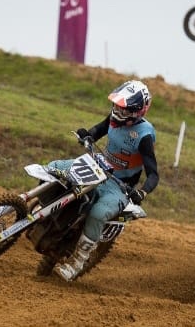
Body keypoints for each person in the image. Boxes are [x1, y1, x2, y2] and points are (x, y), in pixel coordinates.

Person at [48, 80, 159, 281]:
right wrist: (87, 135)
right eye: (116, 105)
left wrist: (142, 192)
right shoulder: (115, 118)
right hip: (96, 166)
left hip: (118, 186)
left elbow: (153, 174)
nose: (117, 110)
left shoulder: (144, 135)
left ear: (136, 111)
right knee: (54, 167)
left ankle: (77, 263)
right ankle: (35, 209)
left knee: (98, 213)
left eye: (123, 108)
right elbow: (99, 130)